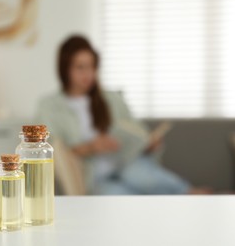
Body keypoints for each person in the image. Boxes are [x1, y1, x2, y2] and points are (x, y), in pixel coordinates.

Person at [35, 35, 210, 195]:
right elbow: (50, 150)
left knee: (145, 178)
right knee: (120, 197)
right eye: (80, 67)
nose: (88, 74)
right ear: (65, 68)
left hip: (127, 163)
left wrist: (148, 142)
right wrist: (92, 147)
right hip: (95, 175)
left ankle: (191, 194)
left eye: (92, 67)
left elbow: (135, 130)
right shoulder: (50, 106)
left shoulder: (111, 99)